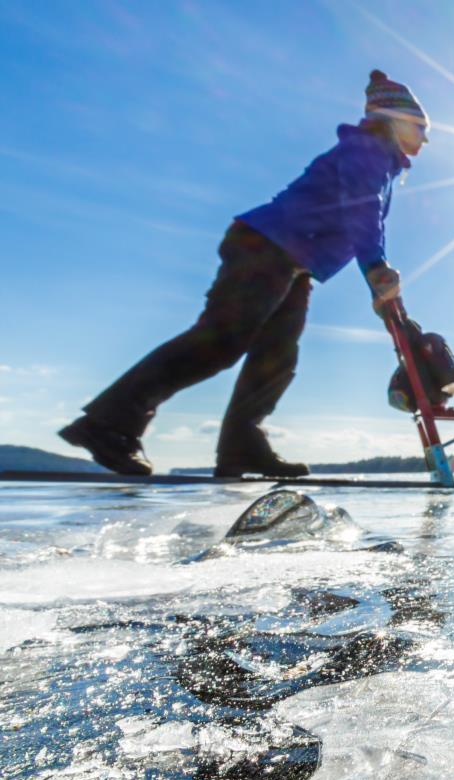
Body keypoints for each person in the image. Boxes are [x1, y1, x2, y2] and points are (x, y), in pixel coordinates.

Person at [59, 70, 428, 478]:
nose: (424, 140)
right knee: (220, 341)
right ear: (394, 119)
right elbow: (362, 208)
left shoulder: (379, 157)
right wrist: (375, 266)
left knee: (277, 355)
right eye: (420, 128)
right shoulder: (369, 149)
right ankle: (108, 424)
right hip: (265, 249)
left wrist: (374, 277)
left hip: (291, 261)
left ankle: (241, 446)